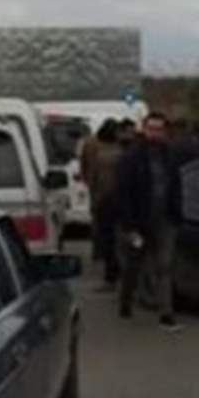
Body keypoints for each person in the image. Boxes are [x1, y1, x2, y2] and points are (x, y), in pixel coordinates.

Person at [114, 111, 185, 332]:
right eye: (151, 129)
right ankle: (125, 301)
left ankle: (166, 313)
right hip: (139, 221)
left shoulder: (169, 156)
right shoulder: (131, 157)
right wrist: (130, 226)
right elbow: (123, 192)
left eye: (159, 129)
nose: (155, 133)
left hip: (165, 220)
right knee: (134, 266)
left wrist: (176, 213)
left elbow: (176, 186)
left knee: (164, 266)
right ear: (143, 130)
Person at [81, 120, 125, 287]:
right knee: (116, 238)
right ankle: (117, 271)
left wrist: (93, 196)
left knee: (107, 237)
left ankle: (110, 273)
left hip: (104, 199)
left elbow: (90, 175)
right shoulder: (122, 152)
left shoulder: (99, 153)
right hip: (117, 200)